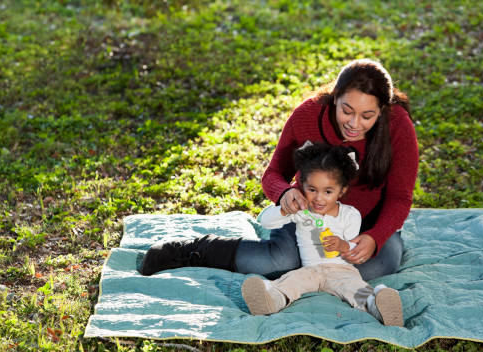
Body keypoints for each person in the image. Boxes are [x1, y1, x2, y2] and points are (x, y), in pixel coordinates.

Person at [139, 59, 418, 282]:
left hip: (366, 225)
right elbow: (273, 174)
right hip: (305, 218)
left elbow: (399, 198)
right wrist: (284, 193)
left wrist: (375, 237)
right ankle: (196, 250)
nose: (354, 123)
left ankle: (300, 279)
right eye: (347, 110)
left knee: (379, 266)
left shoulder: (399, 126)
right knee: (283, 262)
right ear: (335, 98)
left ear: (382, 110)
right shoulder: (307, 115)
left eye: (367, 116)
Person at [242, 142, 403, 325]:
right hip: (309, 270)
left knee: (356, 289)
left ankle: (378, 304)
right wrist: (285, 210)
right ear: (302, 186)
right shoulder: (302, 212)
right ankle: (270, 300)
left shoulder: (349, 215)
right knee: (291, 282)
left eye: (328, 192)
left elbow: (353, 247)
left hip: (341, 270)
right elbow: (265, 221)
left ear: (341, 191)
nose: (318, 198)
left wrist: (342, 245)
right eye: (312, 190)